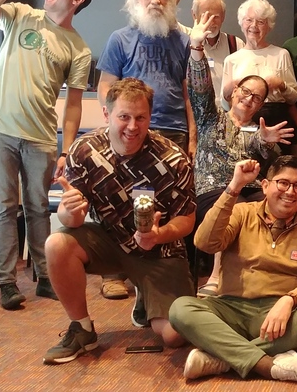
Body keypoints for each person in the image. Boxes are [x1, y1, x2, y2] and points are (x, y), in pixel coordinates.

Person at [0, 0, 93, 309]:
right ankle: (7, 282)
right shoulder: (22, 14)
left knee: (38, 208)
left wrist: (68, 151)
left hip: (39, 136)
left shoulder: (79, 49)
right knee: (4, 206)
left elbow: (73, 106)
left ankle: (45, 277)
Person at [42, 78, 196, 364]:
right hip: (109, 240)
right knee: (57, 243)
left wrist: (158, 235)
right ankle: (82, 329)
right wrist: (68, 211)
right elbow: (71, 221)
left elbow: (187, 219)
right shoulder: (84, 150)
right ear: (106, 114)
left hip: (160, 252)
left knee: (175, 336)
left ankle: (145, 296)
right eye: (123, 117)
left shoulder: (174, 159)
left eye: (141, 118)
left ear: (151, 116)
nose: (132, 127)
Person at [169, 157, 297, 384]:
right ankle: (266, 364)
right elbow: (205, 242)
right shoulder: (242, 212)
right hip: (231, 308)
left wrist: (290, 300)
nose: (290, 191)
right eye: (283, 183)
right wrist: (233, 188)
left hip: (280, 319)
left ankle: (221, 358)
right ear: (265, 186)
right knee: (181, 309)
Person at [96, 0, 196, 302]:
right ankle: (115, 273)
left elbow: (188, 93)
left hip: (173, 132)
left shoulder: (183, 40)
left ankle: (156, 268)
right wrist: (113, 123)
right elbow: (106, 86)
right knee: (119, 200)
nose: (155, 0)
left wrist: (193, 136)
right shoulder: (119, 39)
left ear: (170, 0)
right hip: (128, 131)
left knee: (167, 204)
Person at [187, 12, 296, 297]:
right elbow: (199, 90)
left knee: (275, 205)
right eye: (246, 92)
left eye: (257, 97)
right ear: (235, 90)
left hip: (250, 188)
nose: (249, 99)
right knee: (236, 210)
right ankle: (217, 275)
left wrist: (268, 142)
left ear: (261, 104)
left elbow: (262, 150)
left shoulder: (257, 129)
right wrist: (197, 50)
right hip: (215, 190)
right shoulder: (211, 117)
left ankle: (271, 276)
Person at [221, 0, 297, 130]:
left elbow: (294, 98)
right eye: (249, 20)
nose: (254, 26)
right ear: (241, 23)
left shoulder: (281, 54)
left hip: (275, 120)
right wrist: (227, 91)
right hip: (241, 124)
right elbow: (225, 105)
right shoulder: (231, 59)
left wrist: (281, 85)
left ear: (269, 26)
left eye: (261, 22)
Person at [180, 0, 242, 111]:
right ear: (194, 15)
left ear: (223, 16)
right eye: (206, 16)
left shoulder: (235, 44)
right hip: (194, 116)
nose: (211, 23)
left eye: (216, 17)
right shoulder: (184, 39)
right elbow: (166, 13)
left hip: (227, 116)